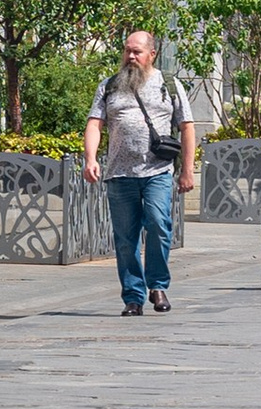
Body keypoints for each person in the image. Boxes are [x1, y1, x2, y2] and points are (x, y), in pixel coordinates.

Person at [82, 27, 198, 317]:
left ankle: (157, 285)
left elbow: (187, 127)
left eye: (137, 51)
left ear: (152, 54)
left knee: (159, 225)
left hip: (157, 171)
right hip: (120, 174)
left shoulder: (168, 85)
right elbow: (95, 123)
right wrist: (90, 158)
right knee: (125, 238)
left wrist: (187, 170)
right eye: (127, 51)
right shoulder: (110, 86)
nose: (131, 56)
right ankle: (133, 297)